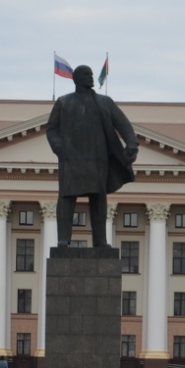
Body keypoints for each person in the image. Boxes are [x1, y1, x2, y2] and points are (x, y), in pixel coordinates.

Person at [46, 65, 138, 247]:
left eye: (91, 74)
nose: (91, 77)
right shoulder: (64, 102)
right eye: (86, 74)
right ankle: (63, 240)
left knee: (98, 199)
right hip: (71, 159)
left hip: (98, 159)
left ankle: (100, 241)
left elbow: (123, 123)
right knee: (66, 197)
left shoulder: (105, 102)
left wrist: (132, 143)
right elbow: (52, 129)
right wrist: (59, 149)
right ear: (76, 78)